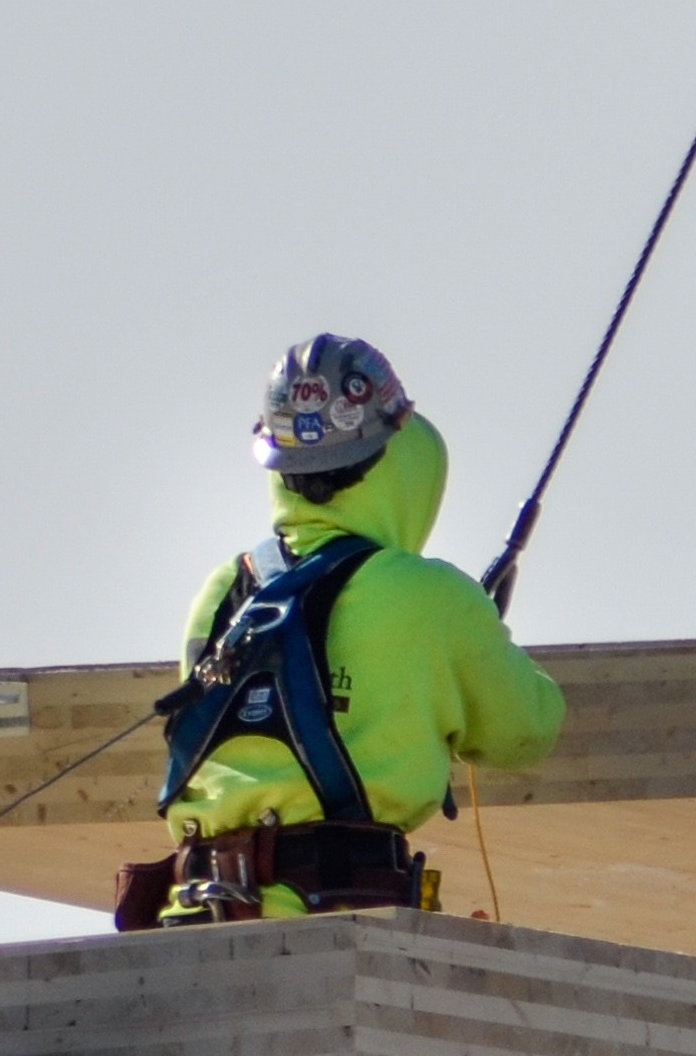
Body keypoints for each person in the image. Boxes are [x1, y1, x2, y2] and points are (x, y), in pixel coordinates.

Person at [127, 335, 567, 926]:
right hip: (333, 926)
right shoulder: (430, 596)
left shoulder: (222, 590)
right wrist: (474, 637)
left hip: (197, 919)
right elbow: (528, 728)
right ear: (400, 454)